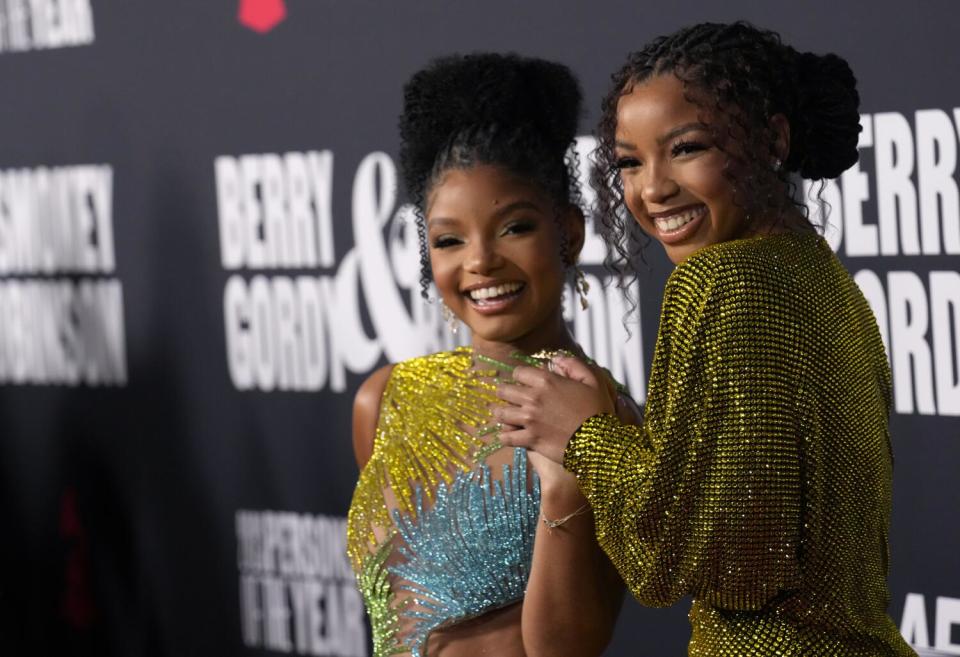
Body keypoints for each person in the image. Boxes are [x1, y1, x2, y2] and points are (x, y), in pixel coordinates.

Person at [494, 22, 917, 656]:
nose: (652, 188)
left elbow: (683, 560)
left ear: (771, 139)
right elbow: (757, 518)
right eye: (630, 162)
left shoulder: (721, 280)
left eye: (686, 148)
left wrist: (584, 436)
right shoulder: (818, 273)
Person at [346, 53, 633, 657]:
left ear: (570, 234)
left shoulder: (601, 419)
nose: (479, 262)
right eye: (449, 240)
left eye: (513, 228)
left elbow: (568, 651)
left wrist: (563, 487)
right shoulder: (383, 400)